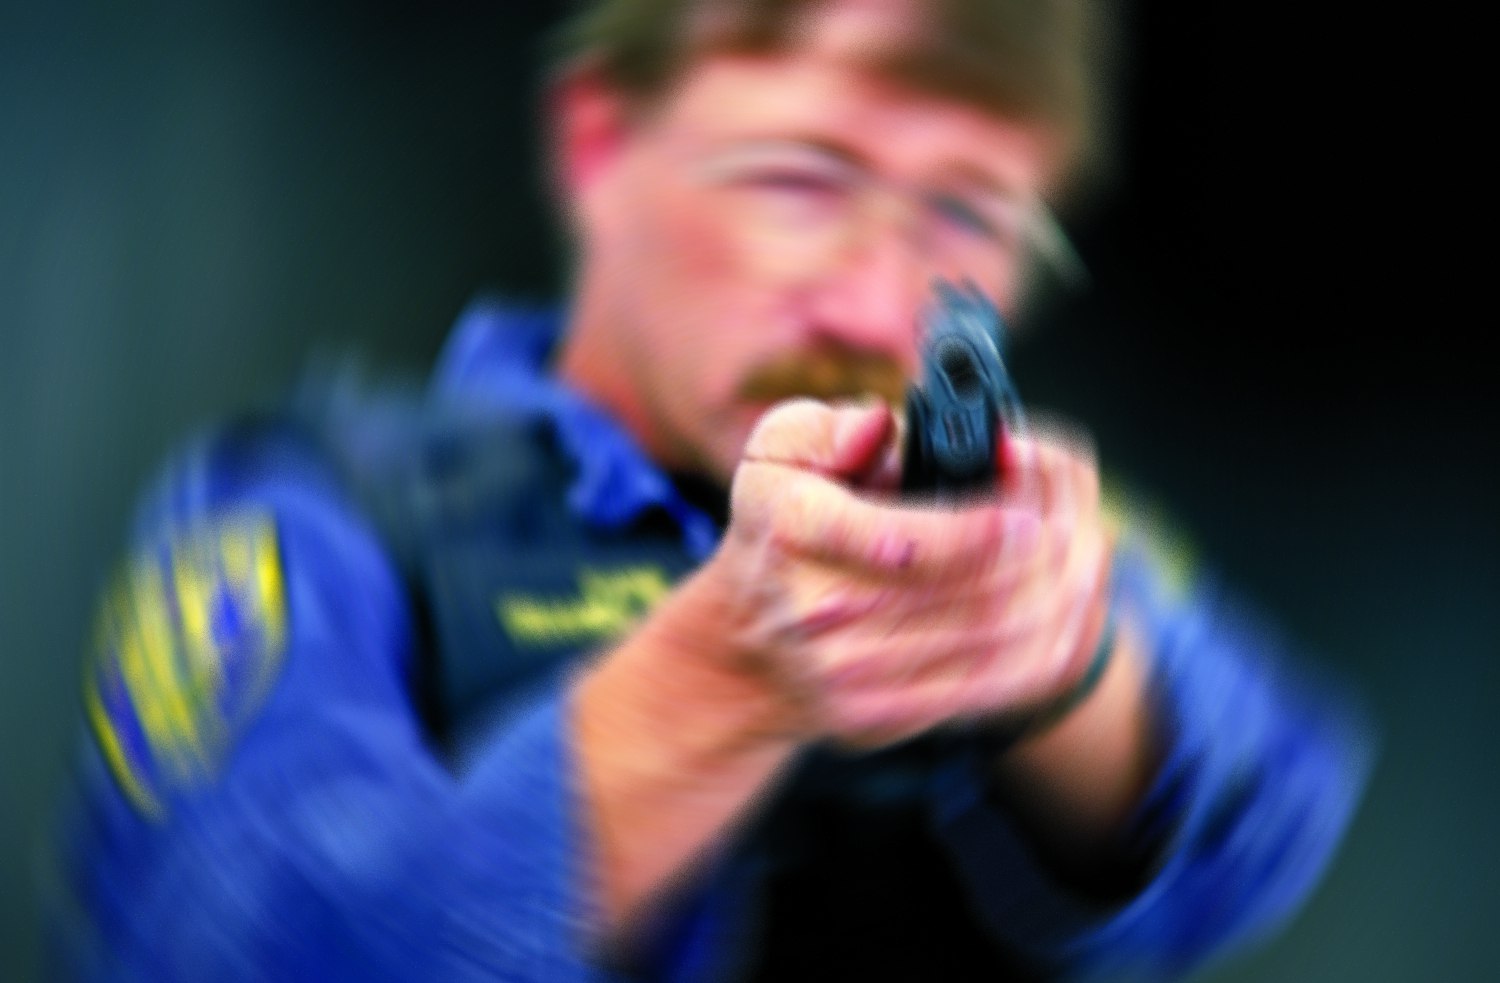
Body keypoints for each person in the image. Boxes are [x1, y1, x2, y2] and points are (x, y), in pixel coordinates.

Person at [47, 1, 1373, 980]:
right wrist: (725, 675)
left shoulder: (1021, 527)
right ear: (599, 143)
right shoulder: (319, 507)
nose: (876, 304)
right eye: (799, 181)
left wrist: (1058, 664)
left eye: (967, 215)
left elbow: (1268, 803)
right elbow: (221, 948)